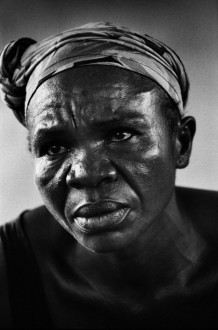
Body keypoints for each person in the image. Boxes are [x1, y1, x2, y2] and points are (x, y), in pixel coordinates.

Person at [0, 22, 217, 329]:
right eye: (54, 146)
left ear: (181, 142)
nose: (86, 174)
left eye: (121, 134)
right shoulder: (10, 270)